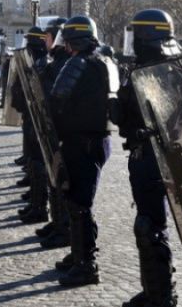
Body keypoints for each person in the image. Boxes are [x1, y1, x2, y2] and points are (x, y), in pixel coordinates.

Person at [114, 9, 182, 307]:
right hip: (142, 154)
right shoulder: (150, 69)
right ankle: (154, 289)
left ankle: (162, 294)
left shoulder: (164, 72)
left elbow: (167, 117)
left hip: (155, 156)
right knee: (146, 224)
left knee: (151, 226)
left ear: (148, 38)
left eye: (137, 37)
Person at [50, 15, 118, 287]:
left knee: (79, 204)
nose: (64, 47)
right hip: (98, 140)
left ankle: (86, 263)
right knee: (78, 202)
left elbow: (57, 101)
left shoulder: (77, 64)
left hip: (81, 141)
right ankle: (79, 253)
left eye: (66, 41)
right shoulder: (106, 63)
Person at [36, 17, 72, 249]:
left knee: (63, 183)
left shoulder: (63, 65)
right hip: (56, 132)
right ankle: (58, 223)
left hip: (65, 134)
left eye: (48, 37)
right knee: (54, 180)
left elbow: (56, 100)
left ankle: (64, 227)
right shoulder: (57, 62)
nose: (46, 42)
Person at [11, 27, 51, 225]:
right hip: (30, 114)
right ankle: (36, 202)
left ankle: (40, 206)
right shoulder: (35, 60)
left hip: (37, 116)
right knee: (34, 162)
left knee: (38, 162)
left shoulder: (41, 62)